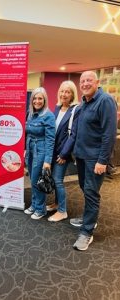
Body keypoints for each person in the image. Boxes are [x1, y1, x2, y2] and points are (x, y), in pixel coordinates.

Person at [72, 71, 117, 251]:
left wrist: (102, 160)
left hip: (95, 158)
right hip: (83, 156)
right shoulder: (85, 102)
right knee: (85, 188)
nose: (85, 84)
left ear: (97, 82)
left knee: (91, 192)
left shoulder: (105, 101)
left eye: (89, 80)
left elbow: (109, 134)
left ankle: (87, 232)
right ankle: (88, 217)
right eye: (82, 81)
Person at [47, 81, 80, 222]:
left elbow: (74, 135)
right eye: (62, 91)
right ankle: (57, 203)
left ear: (72, 94)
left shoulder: (75, 110)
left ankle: (62, 211)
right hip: (53, 151)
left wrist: (64, 154)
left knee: (58, 180)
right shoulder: (57, 108)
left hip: (63, 153)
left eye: (67, 92)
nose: (64, 94)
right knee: (54, 180)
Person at [24, 87, 56, 220]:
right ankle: (35, 204)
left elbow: (50, 139)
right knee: (32, 179)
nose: (37, 101)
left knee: (38, 180)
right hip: (30, 149)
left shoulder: (48, 116)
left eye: (40, 98)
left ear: (44, 100)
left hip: (41, 150)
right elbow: (27, 133)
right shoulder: (30, 113)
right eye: (35, 98)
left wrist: (47, 160)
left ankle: (40, 209)